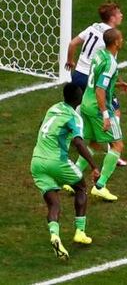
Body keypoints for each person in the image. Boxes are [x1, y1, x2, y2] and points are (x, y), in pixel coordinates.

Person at [30, 83, 100, 260]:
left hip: (37, 161)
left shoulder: (53, 108)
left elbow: (42, 126)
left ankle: (55, 236)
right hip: (57, 161)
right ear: (77, 98)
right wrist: (93, 166)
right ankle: (80, 231)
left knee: (53, 204)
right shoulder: (75, 118)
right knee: (81, 187)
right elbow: (78, 142)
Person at [65, 0, 127, 167]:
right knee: (113, 110)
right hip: (93, 79)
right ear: (112, 17)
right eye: (119, 13)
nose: (121, 15)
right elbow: (109, 68)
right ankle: (113, 149)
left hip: (78, 74)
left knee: (80, 108)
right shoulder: (111, 37)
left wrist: (70, 61)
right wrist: (119, 83)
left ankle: (71, 135)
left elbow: (72, 43)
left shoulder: (93, 27)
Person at [70, 28, 127, 201]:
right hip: (98, 107)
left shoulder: (98, 55)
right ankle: (100, 185)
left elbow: (97, 80)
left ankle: (72, 177)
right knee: (117, 145)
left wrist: (118, 85)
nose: (122, 40)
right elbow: (100, 89)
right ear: (116, 42)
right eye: (121, 38)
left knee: (94, 143)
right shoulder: (111, 62)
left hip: (86, 104)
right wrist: (105, 114)